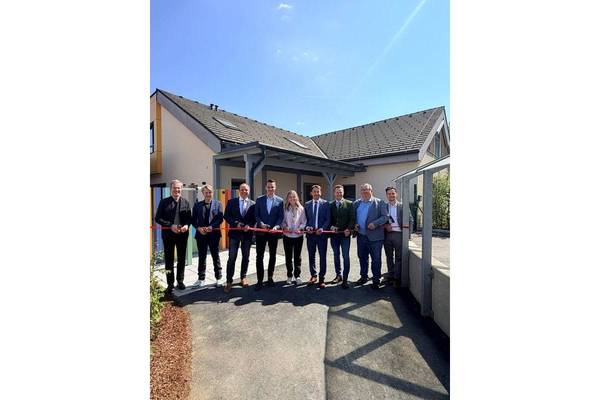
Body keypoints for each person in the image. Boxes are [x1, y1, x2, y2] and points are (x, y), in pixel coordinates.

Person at [154, 179, 192, 294]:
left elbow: (189, 218)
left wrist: (187, 225)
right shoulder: (164, 202)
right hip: (168, 236)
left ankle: (180, 281)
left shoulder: (186, 202)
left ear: (181, 189)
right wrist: (170, 225)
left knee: (181, 259)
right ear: (171, 189)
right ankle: (170, 284)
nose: (177, 190)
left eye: (178, 188)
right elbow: (158, 218)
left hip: (182, 235)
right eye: (175, 188)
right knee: (169, 260)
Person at [353, 183, 389, 290]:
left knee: (376, 259)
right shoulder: (356, 203)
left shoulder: (380, 202)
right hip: (361, 236)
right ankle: (363, 276)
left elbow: (385, 217)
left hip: (375, 237)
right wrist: (355, 224)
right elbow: (353, 217)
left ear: (371, 191)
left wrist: (375, 223)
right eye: (363, 190)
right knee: (362, 257)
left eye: (367, 190)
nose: (364, 192)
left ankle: (376, 280)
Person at [223, 183, 255, 293]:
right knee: (232, 258)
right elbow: (226, 216)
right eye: (242, 189)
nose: (244, 191)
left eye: (246, 190)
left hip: (247, 235)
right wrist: (235, 223)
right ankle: (229, 281)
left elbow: (254, 218)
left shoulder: (253, 204)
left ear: (248, 191)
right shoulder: (231, 202)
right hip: (234, 235)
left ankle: (243, 277)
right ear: (239, 190)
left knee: (246, 257)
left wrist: (249, 225)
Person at [191, 185, 224, 288]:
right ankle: (201, 279)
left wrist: (211, 227)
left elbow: (220, 219)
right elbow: (193, 220)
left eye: (210, 192)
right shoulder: (197, 205)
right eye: (206, 192)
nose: (208, 194)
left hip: (214, 234)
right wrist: (198, 228)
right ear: (203, 193)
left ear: (212, 193)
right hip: (201, 235)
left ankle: (219, 277)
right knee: (202, 257)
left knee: (215, 256)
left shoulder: (218, 204)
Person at [254, 179, 284, 290]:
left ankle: (270, 277)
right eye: (269, 187)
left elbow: (281, 216)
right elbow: (256, 215)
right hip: (261, 232)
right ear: (266, 188)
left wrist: (276, 226)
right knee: (259, 256)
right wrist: (261, 224)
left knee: (272, 256)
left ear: (275, 188)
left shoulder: (280, 201)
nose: (270, 189)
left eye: (272, 187)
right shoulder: (259, 199)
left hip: (273, 233)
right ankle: (259, 280)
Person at [383, 186, 412, 288]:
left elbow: (410, 220)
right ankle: (390, 276)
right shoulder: (384, 206)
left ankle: (397, 277)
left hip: (399, 235)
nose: (391, 195)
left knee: (399, 257)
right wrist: (385, 226)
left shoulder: (402, 206)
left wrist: (408, 236)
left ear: (396, 194)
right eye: (389, 194)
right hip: (387, 235)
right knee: (389, 257)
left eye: (393, 193)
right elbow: (380, 220)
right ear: (386, 195)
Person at [304, 184, 331, 289]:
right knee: (311, 256)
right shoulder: (307, 204)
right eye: (314, 191)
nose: (316, 193)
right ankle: (313, 275)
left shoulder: (326, 204)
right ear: (311, 193)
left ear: (321, 192)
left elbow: (328, 219)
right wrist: (307, 227)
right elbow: (305, 219)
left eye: (318, 191)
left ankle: (321, 278)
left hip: (321, 235)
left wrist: (322, 228)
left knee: (322, 256)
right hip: (310, 235)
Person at [329, 185, 355, 289]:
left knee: (345, 256)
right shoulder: (330, 205)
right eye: (337, 192)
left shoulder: (349, 204)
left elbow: (352, 219)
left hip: (345, 235)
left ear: (343, 192)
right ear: (334, 193)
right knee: (336, 255)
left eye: (340, 192)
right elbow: (328, 219)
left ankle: (345, 278)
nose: (339, 194)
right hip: (334, 236)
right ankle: (338, 275)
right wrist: (331, 226)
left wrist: (349, 229)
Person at [281, 190, 307, 285]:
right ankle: (289, 276)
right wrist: (285, 227)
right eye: (290, 197)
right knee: (288, 257)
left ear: (297, 198)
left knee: (297, 257)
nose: (292, 198)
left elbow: (304, 221)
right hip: (287, 236)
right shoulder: (285, 209)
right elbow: (282, 221)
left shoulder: (301, 209)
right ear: (288, 199)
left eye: (294, 196)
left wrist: (300, 228)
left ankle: (297, 276)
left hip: (298, 236)